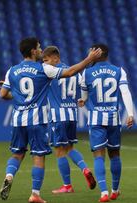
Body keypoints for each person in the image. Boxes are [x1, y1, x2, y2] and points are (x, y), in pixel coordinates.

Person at [0, 37, 101, 203]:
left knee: (17, 154)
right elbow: (70, 72)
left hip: (19, 120)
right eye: (38, 48)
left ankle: (9, 176)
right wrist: (89, 59)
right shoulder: (43, 68)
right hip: (39, 120)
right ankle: (35, 194)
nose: (40, 50)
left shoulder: (12, 70)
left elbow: (3, 94)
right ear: (32, 51)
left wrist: (16, 93)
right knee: (39, 156)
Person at [78, 43, 134, 202]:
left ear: (96, 53)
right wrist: (130, 113)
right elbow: (125, 92)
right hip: (114, 118)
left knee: (98, 156)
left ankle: (103, 193)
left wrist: (82, 101)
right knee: (115, 154)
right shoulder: (119, 71)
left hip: (96, 118)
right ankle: (115, 190)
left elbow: (84, 97)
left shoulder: (86, 73)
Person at [42, 46, 96, 194]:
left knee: (59, 151)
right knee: (70, 148)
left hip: (57, 116)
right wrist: (83, 99)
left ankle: (67, 186)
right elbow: (85, 86)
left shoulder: (49, 73)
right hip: (72, 115)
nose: (44, 63)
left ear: (55, 58)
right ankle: (85, 169)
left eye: (46, 60)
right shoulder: (74, 73)